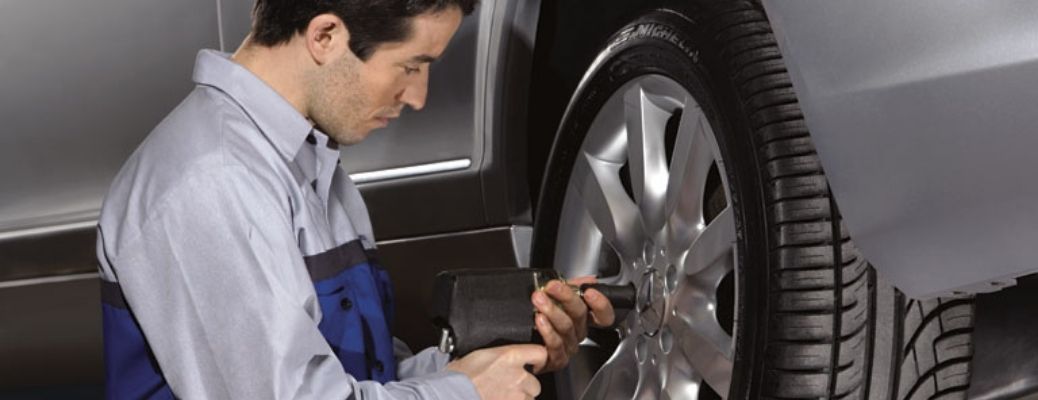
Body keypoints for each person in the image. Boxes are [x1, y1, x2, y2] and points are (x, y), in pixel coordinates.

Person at [95, 0, 616, 399]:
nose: (418, 97)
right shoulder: (211, 181)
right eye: (411, 66)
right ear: (326, 35)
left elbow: (362, 379)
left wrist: (500, 360)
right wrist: (465, 392)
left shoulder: (312, 164)